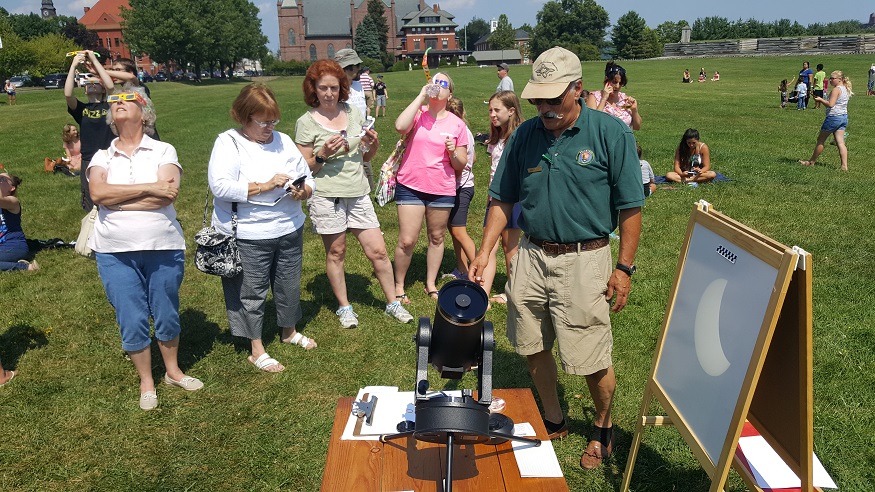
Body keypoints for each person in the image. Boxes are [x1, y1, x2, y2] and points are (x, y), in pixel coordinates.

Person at [468, 46, 643, 471]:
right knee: (530, 342)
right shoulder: (525, 135)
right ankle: (553, 416)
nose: (545, 108)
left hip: (586, 258)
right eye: (538, 100)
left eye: (554, 99)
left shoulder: (610, 134)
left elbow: (631, 207)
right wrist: (485, 249)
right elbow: (501, 197)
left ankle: (603, 426)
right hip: (531, 254)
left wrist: (623, 268)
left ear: (578, 90)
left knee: (590, 355)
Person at [87, 86, 201, 410]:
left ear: (145, 111)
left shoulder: (164, 150)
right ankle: (146, 380)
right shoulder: (101, 156)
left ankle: (173, 371)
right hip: (113, 250)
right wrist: (149, 187)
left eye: (128, 100)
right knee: (131, 317)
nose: (119, 104)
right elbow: (97, 193)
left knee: (166, 311)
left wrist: (118, 200)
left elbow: (167, 195)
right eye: (115, 102)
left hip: (162, 244)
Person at [294, 60, 412, 328]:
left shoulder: (353, 113)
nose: (329, 93)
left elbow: (366, 156)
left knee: (378, 251)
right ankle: (344, 307)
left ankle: (392, 302)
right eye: (323, 88)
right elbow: (305, 169)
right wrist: (323, 154)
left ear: (342, 88)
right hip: (326, 195)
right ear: (313, 88)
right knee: (336, 252)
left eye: (334, 88)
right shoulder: (306, 123)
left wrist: (373, 145)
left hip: (358, 192)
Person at [208, 83, 316, 373]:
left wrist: (303, 191)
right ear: (244, 117)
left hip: (289, 226)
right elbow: (219, 186)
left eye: (273, 120)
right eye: (263, 121)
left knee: (288, 284)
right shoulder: (228, 142)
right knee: (251, 292)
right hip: (249, 232)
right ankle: (256, 348)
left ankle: (288, 331)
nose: (270, 127)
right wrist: (264, 186)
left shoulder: (282, 140)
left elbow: (306, 176)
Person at [393, 72, 469, 301]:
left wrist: (452, 151)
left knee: (436, 237)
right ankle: (398, 285)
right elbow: (399, 126)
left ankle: (430, 283)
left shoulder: (457, 125)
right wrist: (420, 96)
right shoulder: (418, 115)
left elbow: (460, 163)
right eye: (434, 82)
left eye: (442, 83)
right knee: (407, 240)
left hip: (441, 189)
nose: (437, 86)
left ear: (450, 93)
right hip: (411, 185)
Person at [480, 90, 523, 306]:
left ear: (511, 110)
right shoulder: (496, 137)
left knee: (509, 246)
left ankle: (514, 292)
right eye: (490, 110)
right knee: (489, 245)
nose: (493, 114)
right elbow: (492, 170)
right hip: (494, 199)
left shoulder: (517, 138)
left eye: (497, 110)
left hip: (512, 200)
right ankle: (482, 295)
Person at [65, 50, 115, 211]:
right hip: (88, 158)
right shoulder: (81, 109)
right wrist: (73, 65)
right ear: (84, 90)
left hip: (110, 156)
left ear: (102, 89)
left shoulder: (109, 104)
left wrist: (93, 59)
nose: (91, 84)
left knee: (111, 193)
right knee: (90, 196)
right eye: (88, 83)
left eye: (95, 82)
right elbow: (68, 94)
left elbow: (111, 86)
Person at [441, 97, 477, 282]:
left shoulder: (460, 134)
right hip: (455, 187)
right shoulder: (466, 131)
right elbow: (475, 158)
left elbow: (459, 166)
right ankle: (462, 270)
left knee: (458, 232)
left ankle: (479, 271)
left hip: (461, 188)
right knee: (454, 230)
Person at [334, 49, 374, 189]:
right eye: (355, 67)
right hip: (347, 138)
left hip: (363, 136)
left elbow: (363, 108)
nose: (358, 70)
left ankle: (366, 191)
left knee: (365, 169)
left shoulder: (358, 86)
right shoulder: (335, 89)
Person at [799, 71, 853, 171]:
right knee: (840, 143)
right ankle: (844, 166)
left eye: (832, 78)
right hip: (843, 117)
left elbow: (831, 104)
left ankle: (811, 162)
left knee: (821, 140)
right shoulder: (845, 89)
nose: (830, 80)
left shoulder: (836, 90)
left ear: (839, 79)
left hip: (833, 118)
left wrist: (820, 100)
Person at [586, 62, 641, 130]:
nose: (617, 86)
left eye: (620, 83)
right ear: (606, 80)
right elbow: (592, 123)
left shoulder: (624, 99)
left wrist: (634, 110)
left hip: (625, 139)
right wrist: (604, 99)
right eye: (614, 82)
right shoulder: (594, 97)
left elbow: (637, 127)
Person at [0, 173, 39, 272]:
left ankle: (25, 267)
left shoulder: (13, 202)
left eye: (2, 179)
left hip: (13, 246)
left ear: (12, 188)